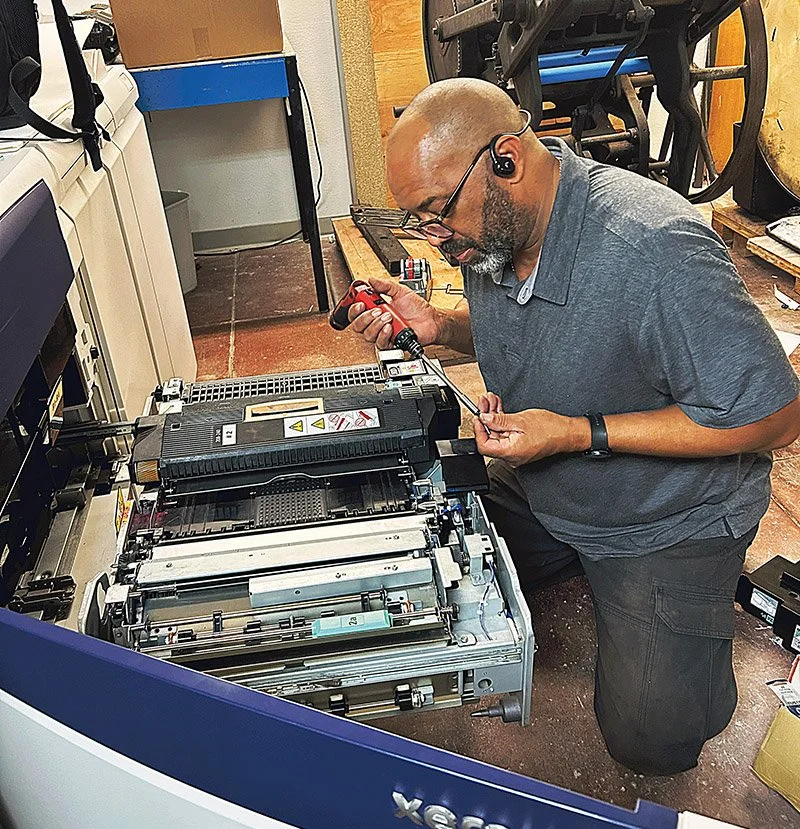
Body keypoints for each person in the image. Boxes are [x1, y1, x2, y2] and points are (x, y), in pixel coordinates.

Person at [345, 78, 800, 775]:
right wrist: (441, 327)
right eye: (420, 222)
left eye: (438, 214)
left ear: (506, 159)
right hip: (548, 476)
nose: (437, 241)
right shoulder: (492, 230)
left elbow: (774, 414)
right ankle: (576, 555)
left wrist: (577, 433)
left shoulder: (654, 248)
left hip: (666, 515)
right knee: (408, 550)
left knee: (652, 740)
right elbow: (536, 327)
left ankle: (687, 623)